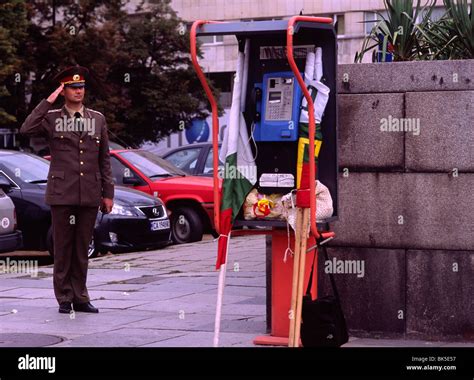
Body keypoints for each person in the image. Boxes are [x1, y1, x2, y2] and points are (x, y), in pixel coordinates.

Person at [20, 65, 114, 314]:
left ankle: (81, 296)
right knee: (63, 248)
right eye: (72, 87)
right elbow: (26, 128)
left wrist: (108, 193)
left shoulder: (97, 118)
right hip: (63, 193)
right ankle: (64, 297)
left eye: (81, 87)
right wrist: (48, 99)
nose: (78, 91)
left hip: (89, 193)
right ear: (63, 90)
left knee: (82, 247)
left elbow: (104, 158)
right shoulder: (51, 118)